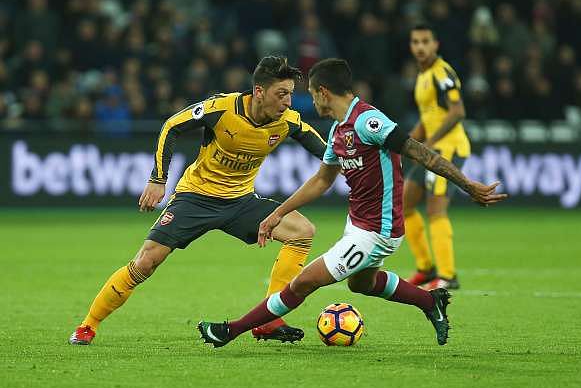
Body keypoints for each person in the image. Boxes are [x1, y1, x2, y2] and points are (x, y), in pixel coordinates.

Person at [197, 58, 506, 348]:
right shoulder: (337, 130)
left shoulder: (368, 121)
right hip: (357, 224)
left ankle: (230, 330)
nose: (309, 102)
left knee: (303, 282)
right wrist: (278, 213)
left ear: (323, 92)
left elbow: (421, 153)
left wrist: (468, 185)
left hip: (379, 230)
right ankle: (430, 301)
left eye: (311, 95)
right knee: (362, 284)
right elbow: (321, 180)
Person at [69, 56, 327, 345]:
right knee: (147, 261)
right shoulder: (221, 108)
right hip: (196, 198)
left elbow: (327, 153)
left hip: (240, 202)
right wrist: (158, 178)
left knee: (302, 232)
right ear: (258, 91)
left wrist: (353, 163)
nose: (288, 102)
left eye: (291, 94)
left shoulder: (288, 122)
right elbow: (171, 126)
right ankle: (88, 325)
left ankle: (269, 319)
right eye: (282, 94)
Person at [404, 23, 471, 290]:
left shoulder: (442, 72)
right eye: (415, 42)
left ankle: (447, 275)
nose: (420, 47)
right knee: (405, 201)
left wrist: (427, 145)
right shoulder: (422, 76)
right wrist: (407, 143)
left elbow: (458, 111)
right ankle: (426, 268)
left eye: (425, 41)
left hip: (449, 149)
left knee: (435, 209)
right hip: (431, 150)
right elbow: (428, 118)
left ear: (435, 45)